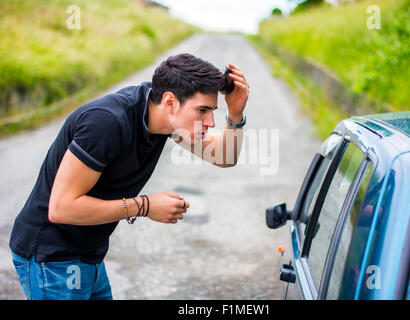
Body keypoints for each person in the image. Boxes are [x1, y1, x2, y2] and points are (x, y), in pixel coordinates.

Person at [9, 53, 250, 300]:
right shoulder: (107, 123)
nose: (210, 122)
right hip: (51, 258)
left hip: (88, 253)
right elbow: (61, 208)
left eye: (212, 111)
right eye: (202, 110)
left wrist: (235, 116)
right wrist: (144, 206)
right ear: (170, 102)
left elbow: (223, 157)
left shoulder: (162, 117)